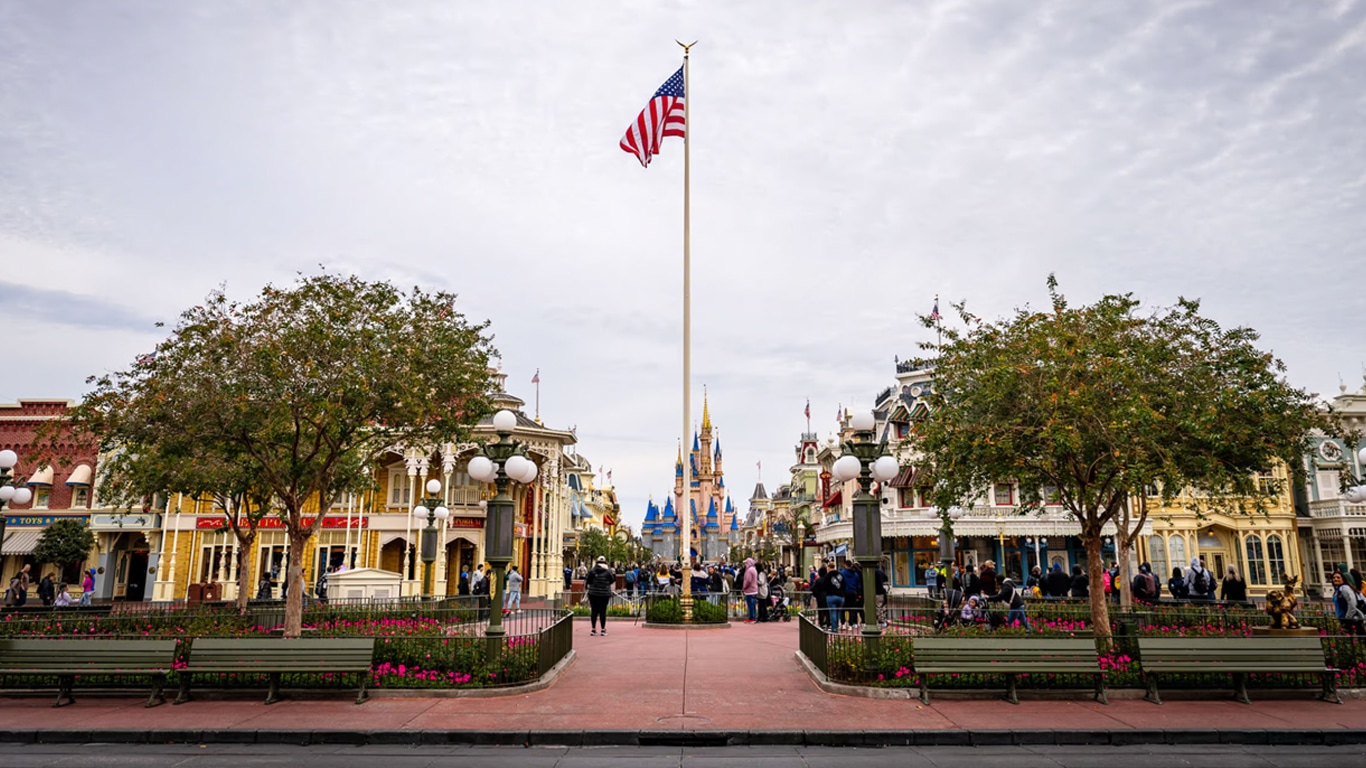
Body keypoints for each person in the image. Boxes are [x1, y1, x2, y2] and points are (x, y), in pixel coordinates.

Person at [584, 556, 615, 636]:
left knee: (594, 611)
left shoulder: (592, 570)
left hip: (593, 593)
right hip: (604, 594)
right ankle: (603, 629)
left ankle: (593, 629)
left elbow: (588, 581)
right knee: (602, 611)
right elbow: (612, 580)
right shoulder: (608, 571)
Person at [1332, 571, 1365, 636]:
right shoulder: (1338, 589)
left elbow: (1352, 603)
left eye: (1338, 577)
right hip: (1343, 617)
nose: (1335, 579)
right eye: (1334, 577)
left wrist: (1347, 618)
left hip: (1350, 618)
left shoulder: (1345, 589)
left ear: (1343, 579)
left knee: (1356, 635)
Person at [741, 558, 759, 623]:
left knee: (750, 605)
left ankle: (752, 618)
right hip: (754, 590)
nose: (745, 564)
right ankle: (753, 617)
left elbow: (748, 580)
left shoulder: (749, 570)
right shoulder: (754, 569)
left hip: (750, 591)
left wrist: (744, 587)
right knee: (753, 605)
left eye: (746, 563)